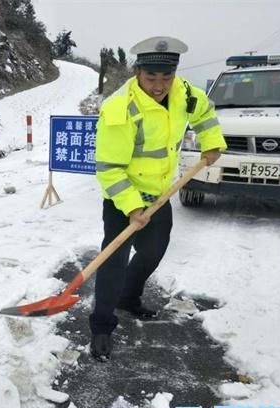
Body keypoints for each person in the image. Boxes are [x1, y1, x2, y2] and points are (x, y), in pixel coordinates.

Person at [90, 36, 227, 361]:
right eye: (151, 77)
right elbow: (109, 168)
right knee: (113, 259)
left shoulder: (184, 93)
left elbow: (205, 114)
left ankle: (129, 296)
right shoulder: (121, 108)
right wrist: (133, 207)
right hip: (124, 197)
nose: (159, 85)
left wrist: (212, 141)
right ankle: (101, 327)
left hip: (161, 193)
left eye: (166, 77)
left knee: (153, 250)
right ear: (137, 71)